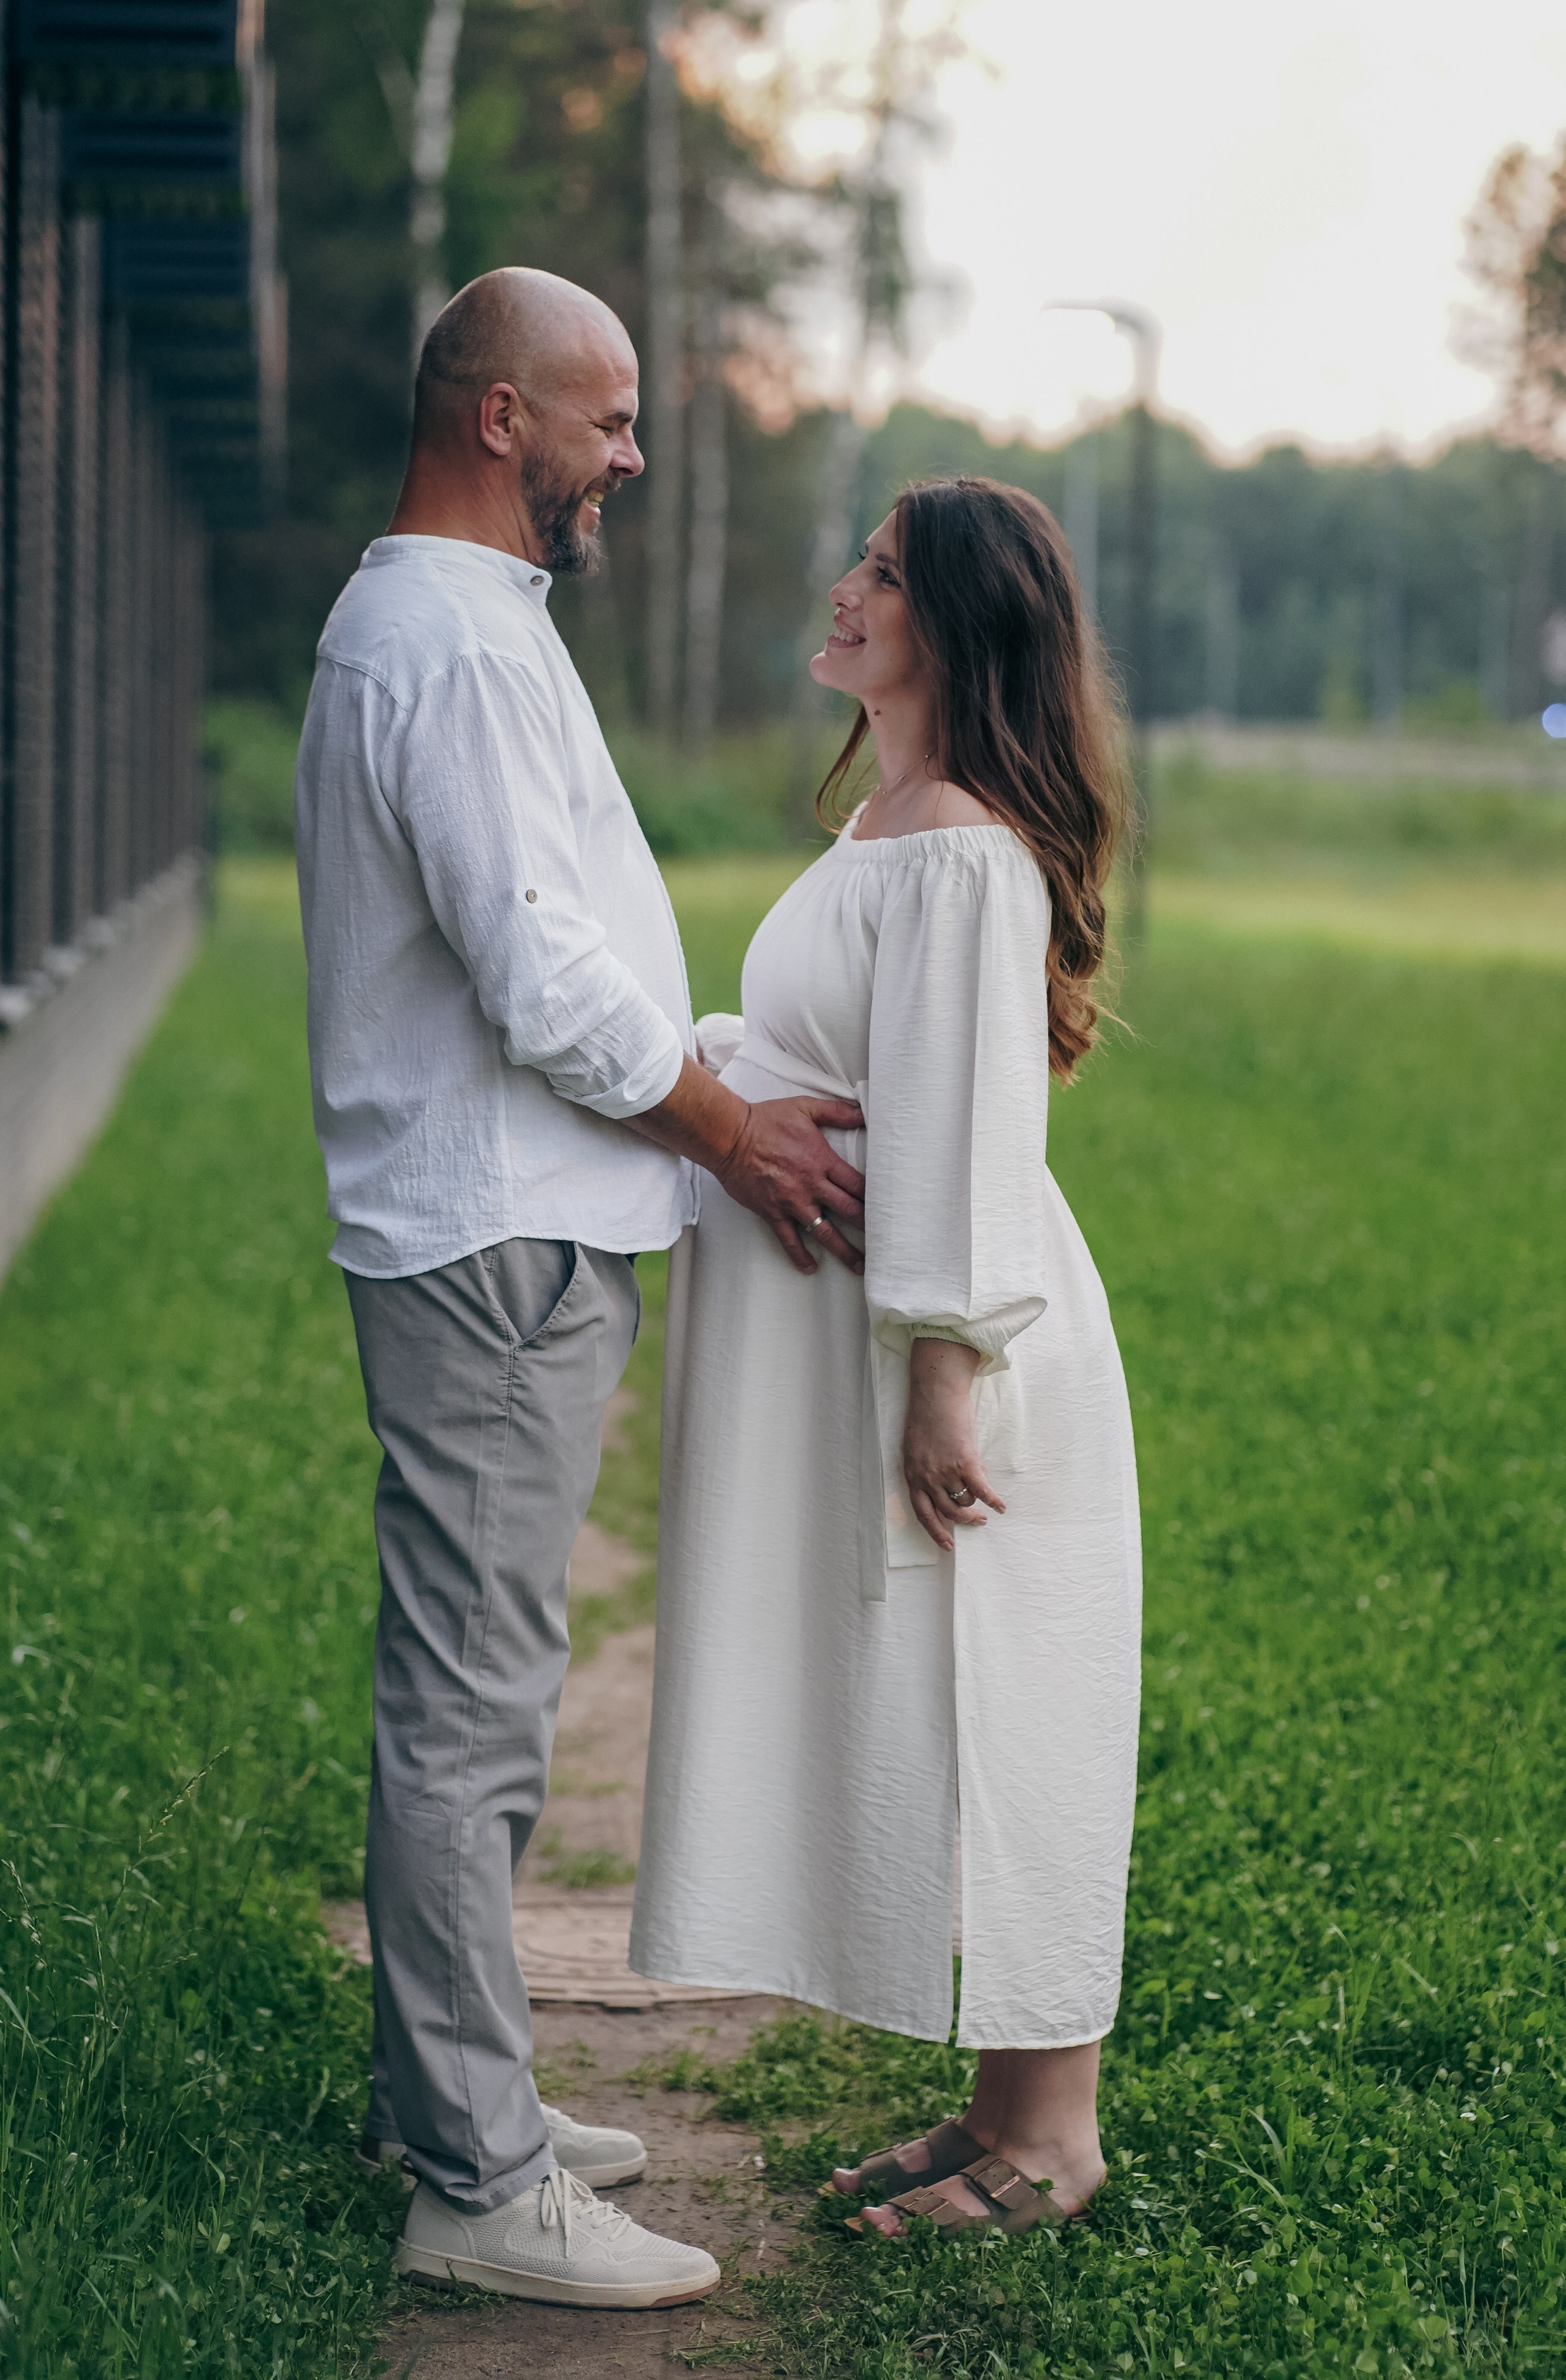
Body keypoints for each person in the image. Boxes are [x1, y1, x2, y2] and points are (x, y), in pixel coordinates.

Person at [294, 267, 865, 2306]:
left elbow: (566, 947)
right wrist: (733, 1131)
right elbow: (537, 973)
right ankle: (476, 2177)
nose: (632, 456)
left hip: (520, 1220)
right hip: (489, 1235)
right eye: (605, 421)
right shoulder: (437, 644)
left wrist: (720, 1074)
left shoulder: (472, 628)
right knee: (471, 1704)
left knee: (490, 1689)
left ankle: (449, 2090)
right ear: (495, 420)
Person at [631, 477, 1143, 2238]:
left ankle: (1053, 2139)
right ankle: (999, 2108)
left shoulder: (965, 846)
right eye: (857, 558)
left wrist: (944, 1374)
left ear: (963, 628)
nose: (845, 591)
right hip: (910, 1337)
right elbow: (796, 1045)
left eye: (888, 576)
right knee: (947, 1693)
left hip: (970, 1355)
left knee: (1012, 1700)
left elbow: (972, 1124)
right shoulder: (884, 829)